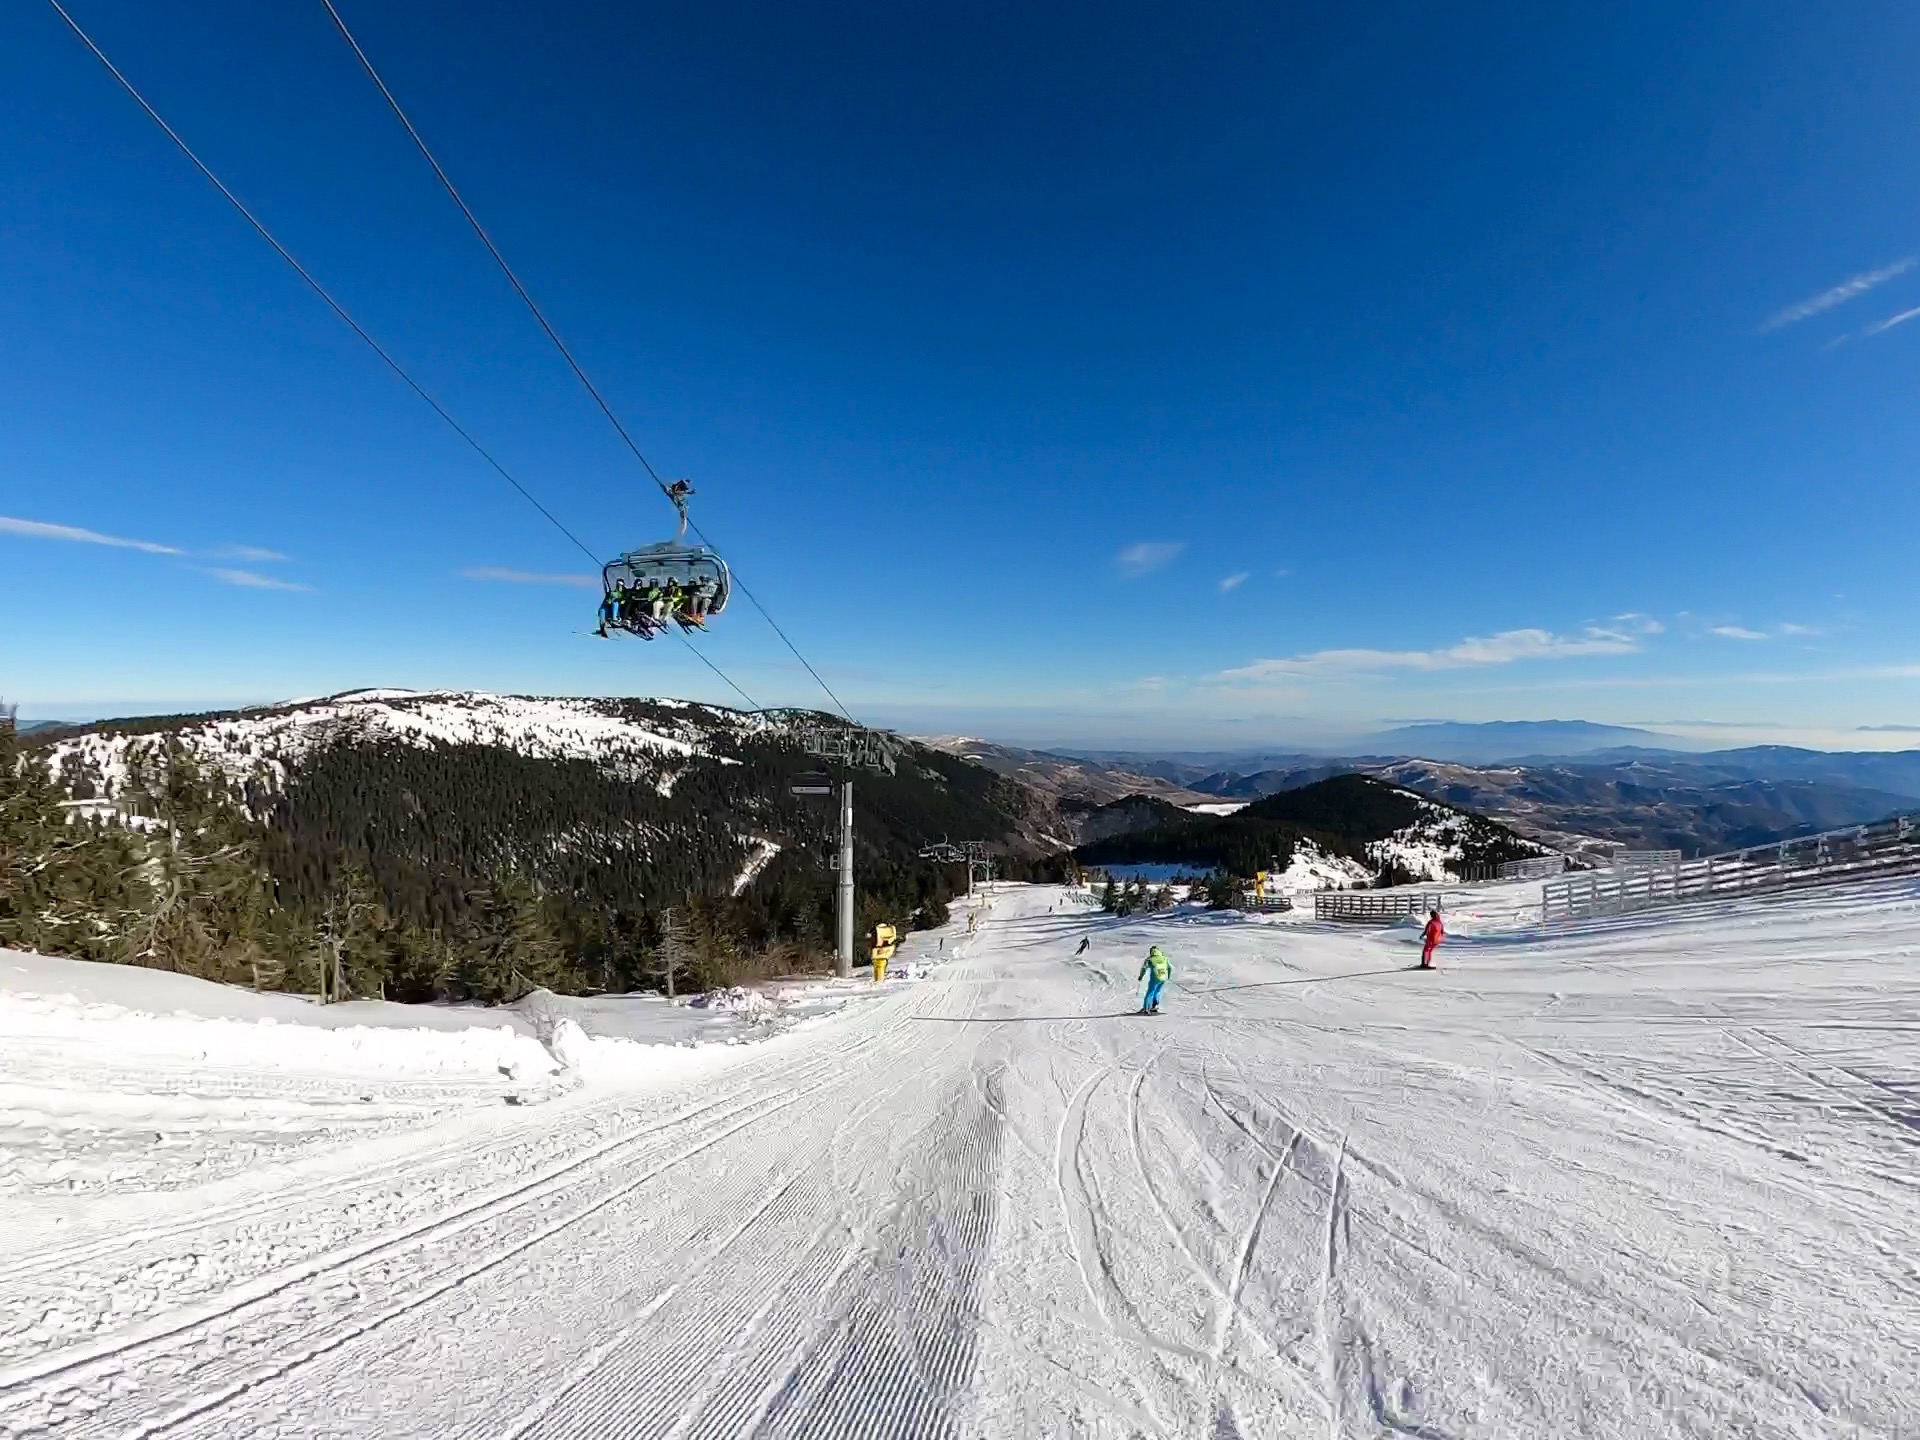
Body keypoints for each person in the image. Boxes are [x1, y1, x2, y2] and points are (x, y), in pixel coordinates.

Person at [1138, 944, 1170, 1014]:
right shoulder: (1164, 958)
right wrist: (1168, 976)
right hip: (1163, 977)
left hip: (1155, 978)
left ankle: (1146, 1008)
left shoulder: (1150, 959)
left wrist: (1141, 976)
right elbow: (1169, 967)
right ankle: (1154, 1006)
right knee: (1157, 991)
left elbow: (1144, 968)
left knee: (1150, 992)